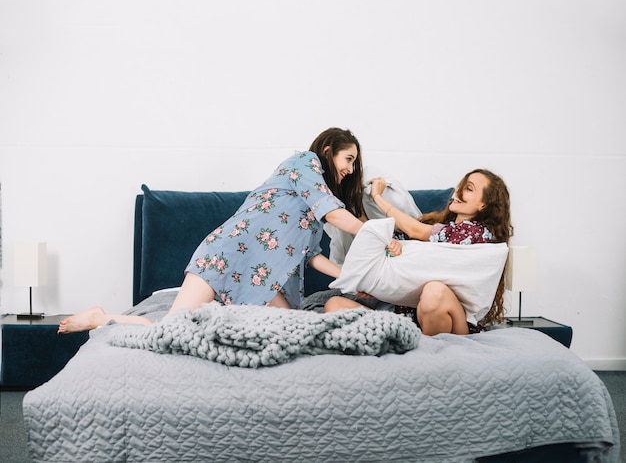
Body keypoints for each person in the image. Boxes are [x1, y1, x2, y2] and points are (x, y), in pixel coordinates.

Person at [58, 127, 402, 333]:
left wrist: (348, 277)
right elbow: (335, 215)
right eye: (349, 159)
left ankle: (222, 316)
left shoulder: (314, 205)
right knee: (171, 329)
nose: (351, 168)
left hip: (258, 275)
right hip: (223, 258)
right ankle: (102, 319)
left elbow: (310, 256)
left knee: (293, 327)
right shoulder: (305, 163)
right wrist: (378, 235)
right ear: (328, 152)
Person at [324, 169, 513, 336]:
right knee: (335, 305)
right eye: (461, 186)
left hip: (450, 317)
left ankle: (426, 353)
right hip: (409, 318)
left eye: (469, 188)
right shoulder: (435, 231)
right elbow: (386, 247)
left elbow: (415, 230)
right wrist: (375, 283)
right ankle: (408, 339)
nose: (458, 192)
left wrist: (377, 196)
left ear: (484, 205)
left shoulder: (478, 233)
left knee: (434, 290)